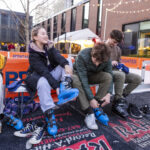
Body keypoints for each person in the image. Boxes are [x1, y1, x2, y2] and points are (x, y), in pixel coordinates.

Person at [14, 26, 73, 144]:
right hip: (35, 76)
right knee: (43, 81)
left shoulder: (49, 47)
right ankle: (49, 114)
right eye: (42, 34)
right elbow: (43, 72)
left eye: (46, 33)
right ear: (35, 37)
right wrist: (56, 86)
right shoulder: (33, 54)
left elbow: (58, 57)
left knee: (68, 61)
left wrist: (66, 65)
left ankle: (65, 88)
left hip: (49, 75)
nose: (46, 35)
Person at [72, 43, 113, 130]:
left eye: (100, 62)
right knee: (75, 80)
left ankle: (96, 106)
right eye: (95, 61)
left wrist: (109, 93)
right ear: (92, 53)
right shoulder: (82, 56)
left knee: (107, 77)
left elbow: (110, 74)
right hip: (79, 75)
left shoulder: (106, 57)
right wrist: (91, 98)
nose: (97, 64)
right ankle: (89, 112)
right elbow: (83, 80)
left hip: (93, 75)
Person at [106, 29, 142, 119]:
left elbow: (118, 62)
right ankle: (118, 102)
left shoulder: (118, 48)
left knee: (137, 78)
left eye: (117, 43)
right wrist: (110, 62)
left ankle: (119, 99)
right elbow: (97, 62)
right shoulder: (102, 46)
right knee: (120, 75)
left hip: (117, 72)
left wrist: (121, 66)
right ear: (110, 37)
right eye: (114, 42)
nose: (115, 44)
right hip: (106, 72)